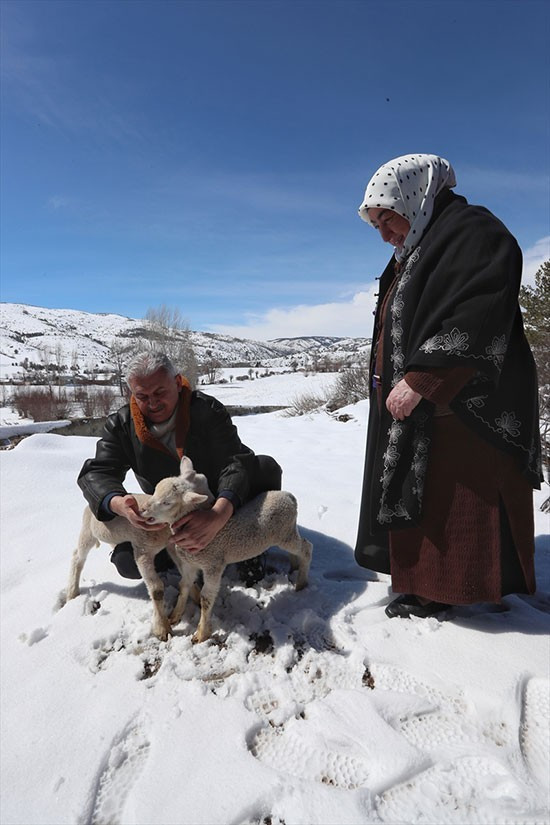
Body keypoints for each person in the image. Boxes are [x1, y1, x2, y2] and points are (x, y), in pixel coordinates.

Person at [354, 153, 542, 618]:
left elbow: (479, 309)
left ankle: (450, 590)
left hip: (466, 405)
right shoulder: (418, 248)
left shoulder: (474, 232)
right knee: (426, 496)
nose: (383, 233)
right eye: (375, 224)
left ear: (413, 198)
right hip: (424, 407)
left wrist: (423, 378)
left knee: (455, 502)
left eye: (386, 217)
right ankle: (422, 584)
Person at [78, 351, 282, 586]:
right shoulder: (121, 425)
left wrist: (218, 513)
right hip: (169, 515)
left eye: (159, 392)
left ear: (177, 383)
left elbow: (235, 460)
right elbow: (97, 472)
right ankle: (186, 552)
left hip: (218, 501)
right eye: (142, 396)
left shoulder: (207, 410)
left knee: (266, 468)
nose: (152, 403)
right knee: (127, 562)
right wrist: (118, 504)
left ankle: (250, 551)